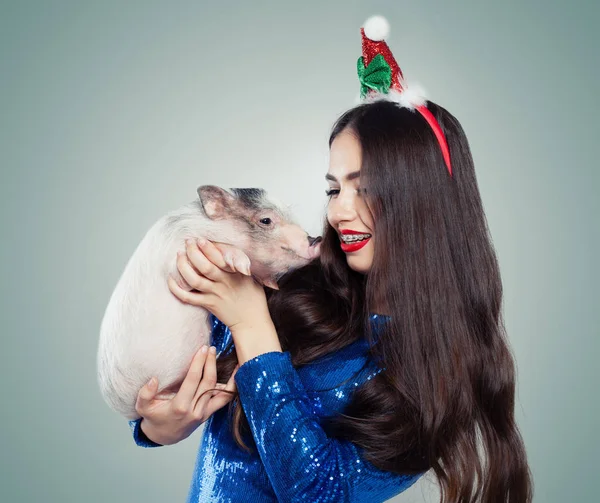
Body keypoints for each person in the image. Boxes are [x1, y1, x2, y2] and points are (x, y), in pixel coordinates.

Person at [128, 16, 533, 503]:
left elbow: (320, 493)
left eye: (365, 189)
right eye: (334, 188)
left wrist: (253, 325)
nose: (339, 211)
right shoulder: (291, 284)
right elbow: (178, 376)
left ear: (424, 204)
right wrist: (158, 426)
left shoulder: (439, 378)